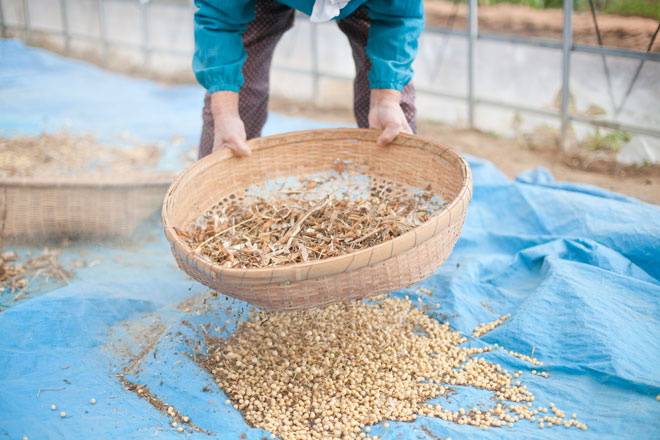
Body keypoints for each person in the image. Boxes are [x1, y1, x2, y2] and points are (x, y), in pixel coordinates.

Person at [193, 0, 424, 159]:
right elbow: (219, 18)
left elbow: (400, 15)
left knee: (392, 114)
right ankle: (219, 207)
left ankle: (395, 200)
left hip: (365, 4)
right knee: (233, 111)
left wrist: (387, 96)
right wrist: (225, 111)